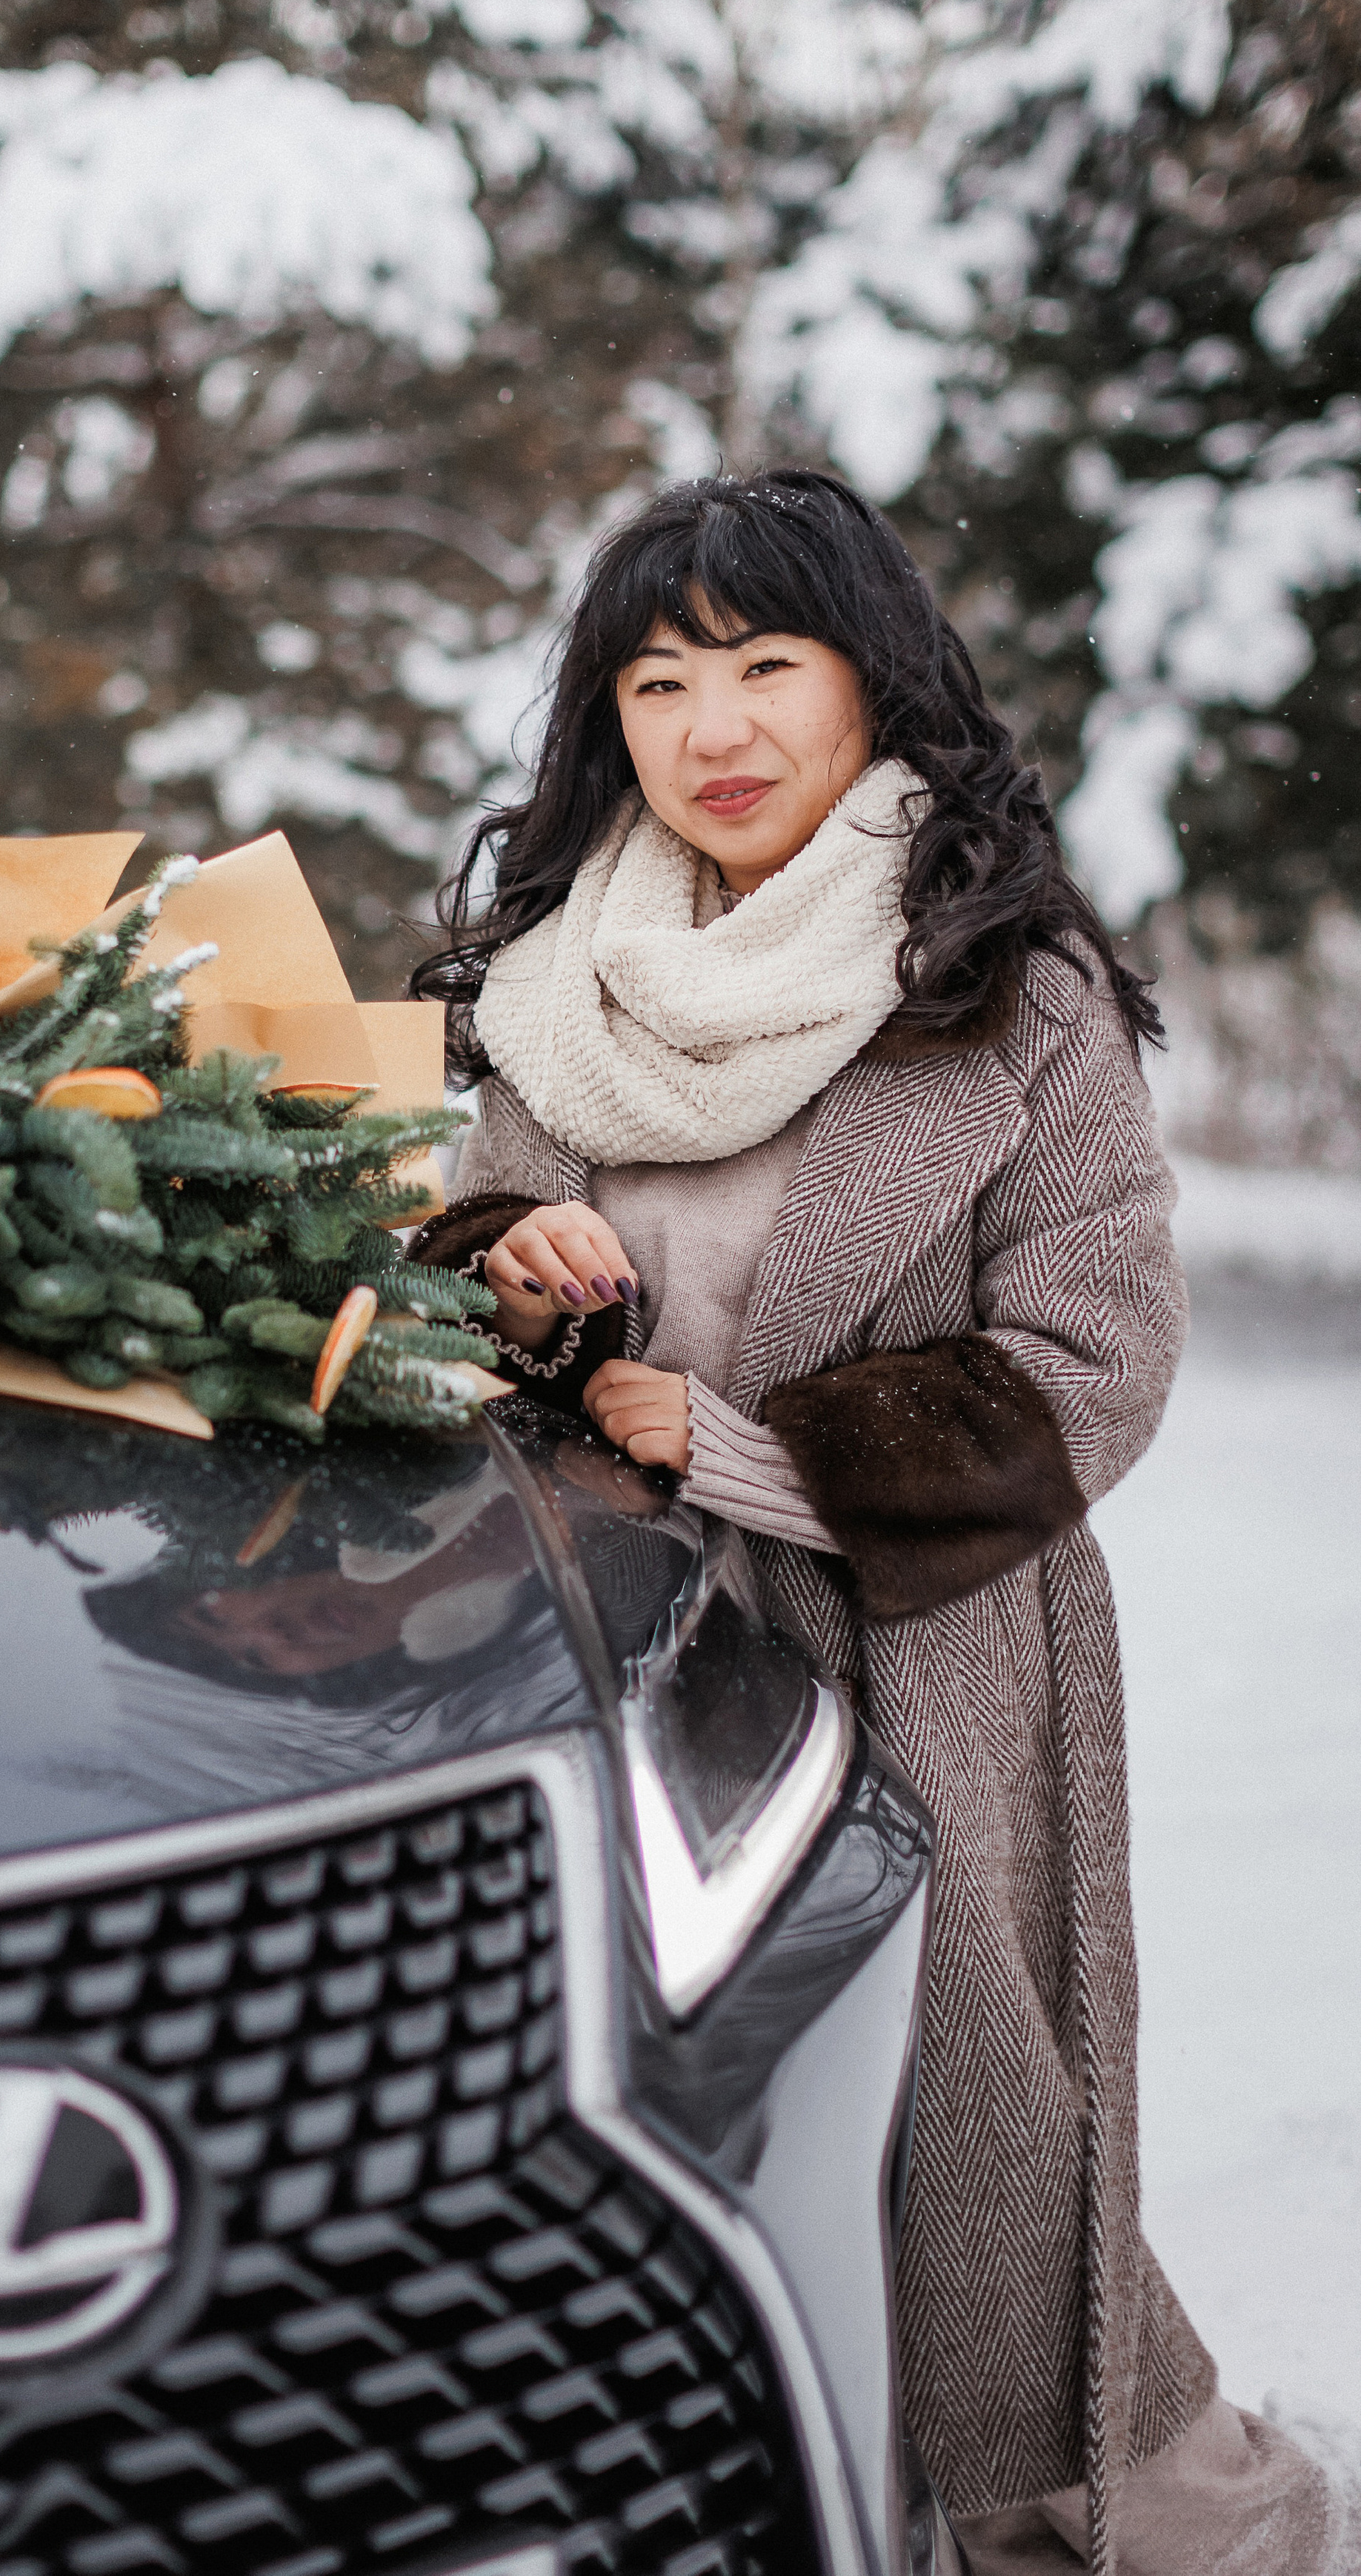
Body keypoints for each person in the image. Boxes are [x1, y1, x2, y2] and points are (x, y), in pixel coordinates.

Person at [405, 471, 1342, 2575]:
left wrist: (751, 1455)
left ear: (871, 684)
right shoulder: (567, 993)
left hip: (915, 1659)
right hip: (599, 1661)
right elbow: (467, 1291)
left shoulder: (1004, 989)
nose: (711, 727)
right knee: (646, 2134)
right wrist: (515, 1266)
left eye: (764, 666)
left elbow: (1093, 1368)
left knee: (968, 2144)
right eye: (657, 680)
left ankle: (1101, 2523)